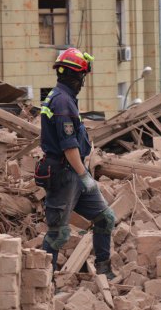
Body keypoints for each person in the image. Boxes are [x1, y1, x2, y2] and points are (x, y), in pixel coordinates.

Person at [37, 48, 116, 278]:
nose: (83, 82)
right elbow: (68, 146)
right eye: (82, 77)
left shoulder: (65, 99)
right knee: (58, 234)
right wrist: (84, 177)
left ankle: (104, 272)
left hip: (74, 172)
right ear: (76, 76)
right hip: (64, 174)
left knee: (105, 218)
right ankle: (44, 286)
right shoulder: (62, 102)